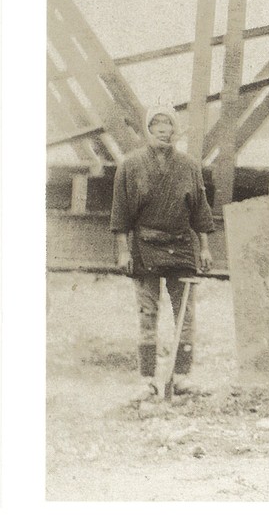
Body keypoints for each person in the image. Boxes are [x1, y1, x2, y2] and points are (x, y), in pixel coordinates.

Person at [109, 105, 215, 400]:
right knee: (147, 313)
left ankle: (180, 377)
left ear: (175, 131)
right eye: (156, 125)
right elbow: (120, 214)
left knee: (185, 315)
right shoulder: (130, 166)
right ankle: (147, 380)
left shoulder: (189, 166)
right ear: (148, 130)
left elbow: (200, 211)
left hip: (181, 247)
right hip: (145, 248)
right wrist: (123, 252)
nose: (163, 131)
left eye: (168, 125)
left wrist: (205, 248)